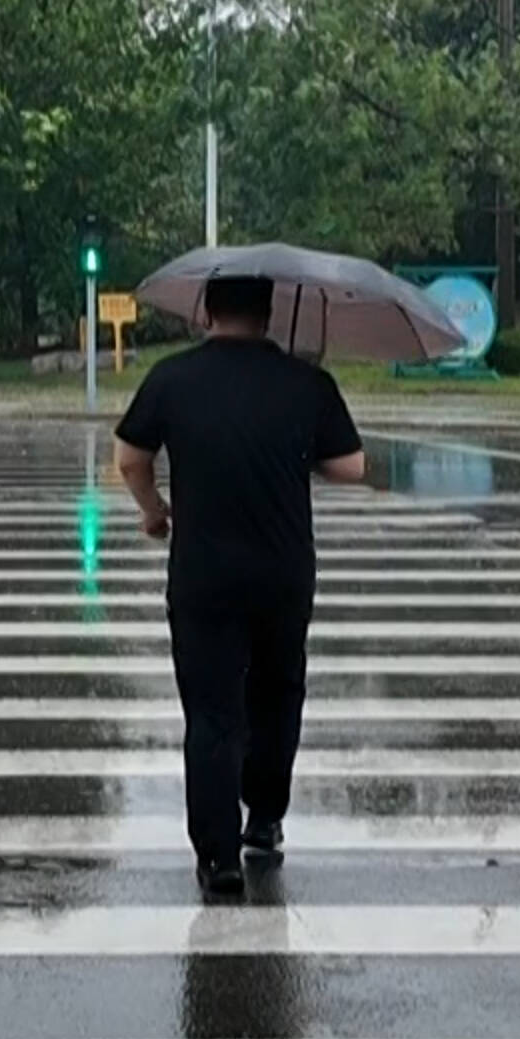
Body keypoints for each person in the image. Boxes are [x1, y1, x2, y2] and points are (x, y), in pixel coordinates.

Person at [111, 274, 369, 895]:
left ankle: (218, 857)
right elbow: (351, 466)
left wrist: (154, 510)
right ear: (270, 312)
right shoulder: (306, 383)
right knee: (278, 694)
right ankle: (265, 818)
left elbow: (129, 453)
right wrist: (296, 438)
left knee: (212, 712)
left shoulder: (173, 377)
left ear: (206, 310)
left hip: (204, 575)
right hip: (282, 574)